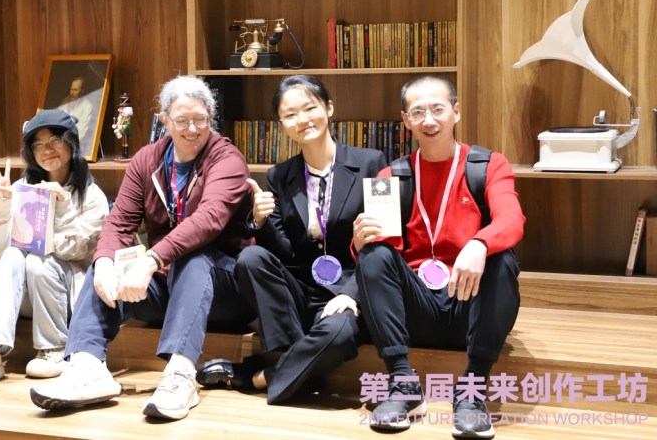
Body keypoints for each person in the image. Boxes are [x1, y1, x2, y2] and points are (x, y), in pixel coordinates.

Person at [29, 75, 254, 421]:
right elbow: (119, 223)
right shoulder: (147, 160)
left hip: (225, 291)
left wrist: (151, 258)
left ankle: (180, 377)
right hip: (168, 288)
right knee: (106, 264)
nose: (192, 128)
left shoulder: (227, 158)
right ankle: (87, 368)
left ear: (211, 118)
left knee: (193, 259)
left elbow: (208, 219)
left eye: (201, 119)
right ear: (164, 121)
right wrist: (104, 262)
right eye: (181, 120)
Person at [197, 75, 387, 404]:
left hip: (352, 290)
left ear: (329, 108)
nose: (302, 120)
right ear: (282, 123)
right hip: (303, 293)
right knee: (251, 258)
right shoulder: (280, 175)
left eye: (309, 108)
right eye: (290, 114)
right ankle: (300, 355)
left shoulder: (372, 162)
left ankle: (257, 376)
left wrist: (353, 294)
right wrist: (260, 221)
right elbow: (284, 254)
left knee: (341, 333)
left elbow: (383, 242)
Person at [353, 75, 524, 439]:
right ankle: (402, 383)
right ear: (405, 119)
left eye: (437, 109)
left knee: (502, 257)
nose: (429, 120)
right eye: (418, 112)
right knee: (372, 254)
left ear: (456, 112)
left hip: (468, 302)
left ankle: (472, 390)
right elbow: (380, 255)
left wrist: (479, 244)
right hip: (417, 310)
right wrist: (359, 241)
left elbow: (512, 220)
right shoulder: (391, 176)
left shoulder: (487, 164)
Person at [0, 109, 109, 389]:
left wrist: (62, 203)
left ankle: (54, 349)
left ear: (72, 143)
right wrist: (2, 205)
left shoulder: (92, 196)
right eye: (38, 145)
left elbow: (76, 251)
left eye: (55, 140)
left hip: (64, 293)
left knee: (38, 262)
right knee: (11, 255)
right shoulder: (21, 187)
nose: (47, 150)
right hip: (23, 294)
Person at [57, 77, 93, 151]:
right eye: (71, 89)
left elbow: (81, 132)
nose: (72, 93)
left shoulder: (87, 106)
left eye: (75, 90)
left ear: (82, 91)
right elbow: (56, 123)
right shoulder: (64, 102)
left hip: (77, 147)